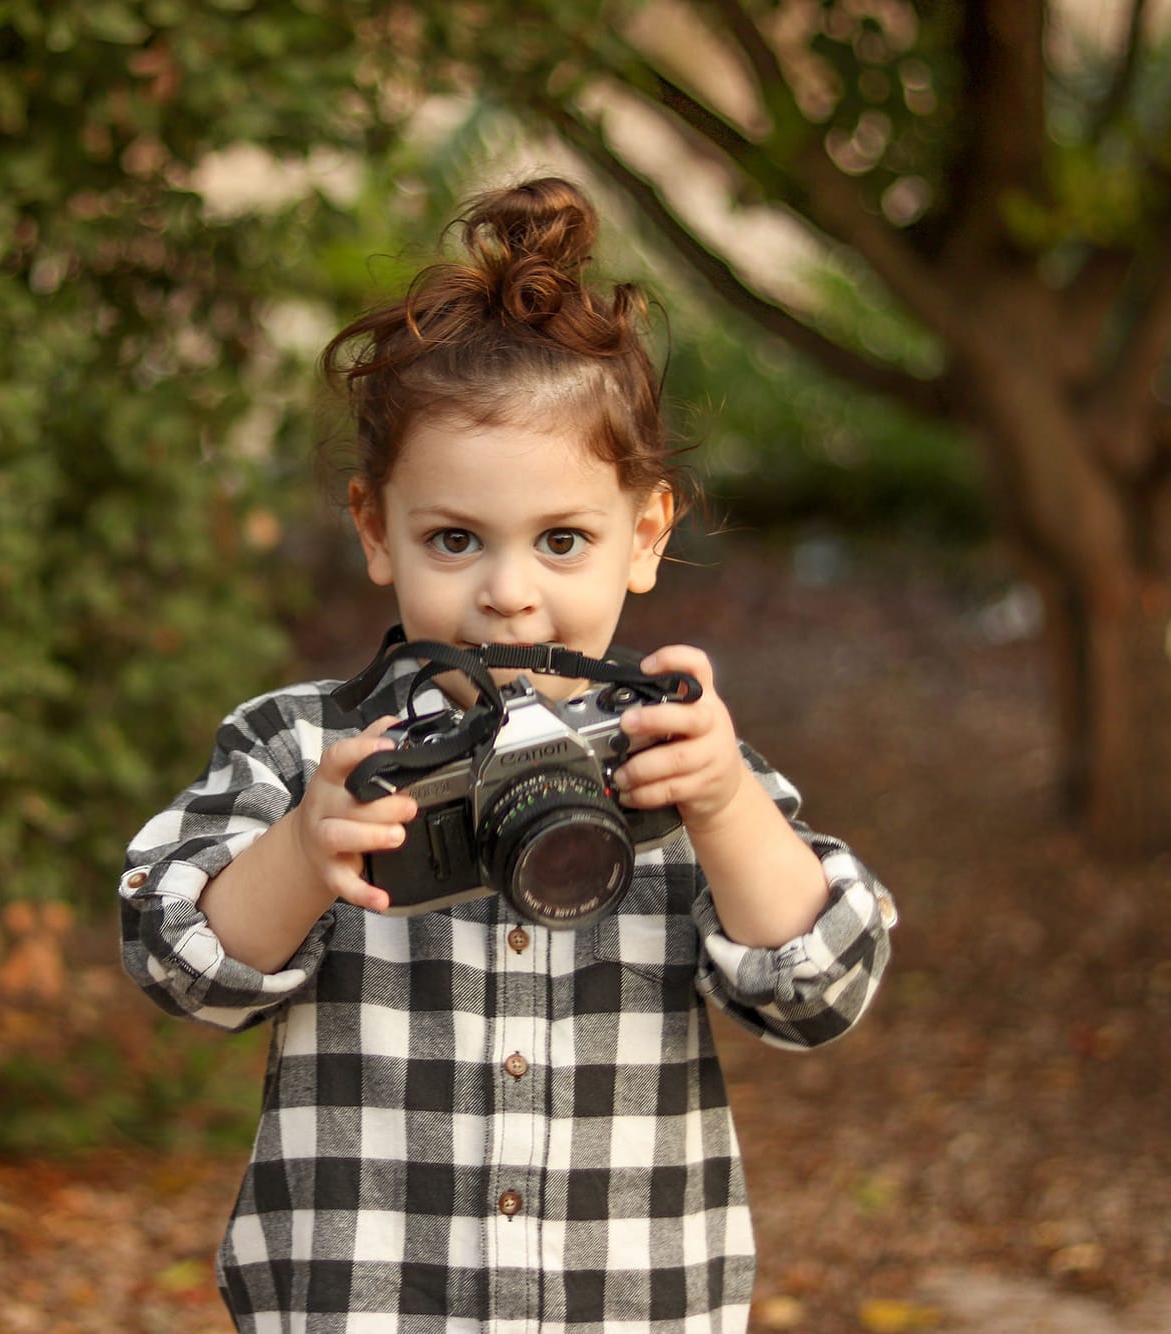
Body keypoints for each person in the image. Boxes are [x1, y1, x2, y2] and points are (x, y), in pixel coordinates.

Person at [119, 176, 896, 1332]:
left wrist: (728, 803)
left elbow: (823, 988)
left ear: (645, 535)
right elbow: (174, 961)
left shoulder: (680, 759)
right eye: (452, 538)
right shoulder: (306, 748)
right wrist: (301, 849)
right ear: (374, 530)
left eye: (563, 539)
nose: (508, 595)